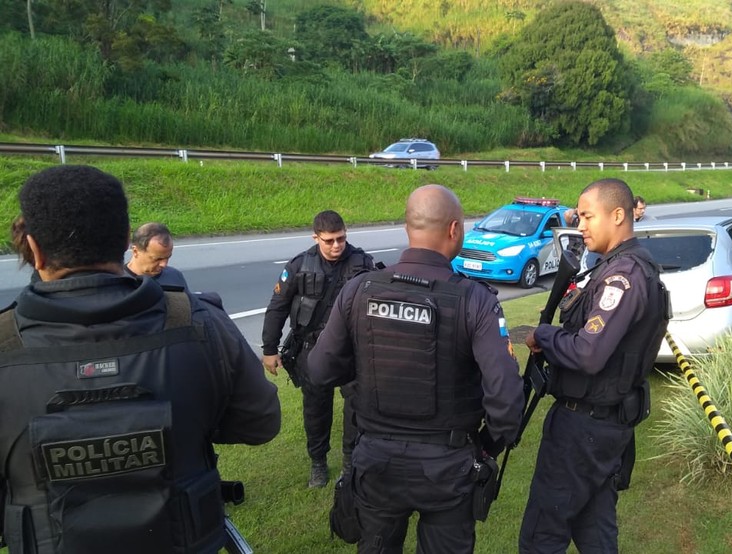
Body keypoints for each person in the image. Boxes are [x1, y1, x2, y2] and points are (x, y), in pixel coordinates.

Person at [0, 165, 281, 553]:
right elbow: (261, 423)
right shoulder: (200, 323)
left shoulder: (5, 348)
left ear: (34, 248)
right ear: (123, 241)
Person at [307, 184, 525, 553]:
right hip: (448, 466)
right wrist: (486, 446)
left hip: (376, 459)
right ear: (454, 230)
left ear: (409, 227)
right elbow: (506, 399)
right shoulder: (475, 299)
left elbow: (320, 370)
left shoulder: (359, 289)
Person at [519, 178, 669, 553]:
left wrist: (546, 336)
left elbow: (589, 352)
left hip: (583, 430)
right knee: (595, 533)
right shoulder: (621, 267)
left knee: (542, 536)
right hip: (601, 426)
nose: (580, 225)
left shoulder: (624, 275)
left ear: (617, 215)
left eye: (587, 216)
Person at [260, 210, 376, 488]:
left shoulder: (363, 262)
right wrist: (269, 348)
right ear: (316, 237)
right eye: (329, 241)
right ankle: (318, 463)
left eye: (341, 239)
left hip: (352, 350)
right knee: (316, 409)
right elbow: (277, 307)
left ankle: (350, 462)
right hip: (312, 349)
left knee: (356, 408)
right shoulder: (299, 265)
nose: (337, 245)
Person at [126, 221, 189, 289]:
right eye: (157, 259)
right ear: (135, 251)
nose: (164, 264)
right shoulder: (119, 284)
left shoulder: (175, 276)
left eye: (167, 258)